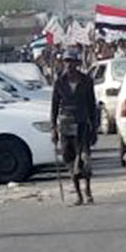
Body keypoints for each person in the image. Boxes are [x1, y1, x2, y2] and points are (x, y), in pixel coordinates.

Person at [49, 49, 98, 205]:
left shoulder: (86, 81)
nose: (69, 65)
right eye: (67, 61)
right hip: (65, 124)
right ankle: (78, 194)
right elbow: (54, 107)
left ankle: (88, 189)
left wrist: (94, 127)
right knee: (69, 158)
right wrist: (53, 128)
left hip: (82, 123)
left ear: (78, 64)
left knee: (84, 158)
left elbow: (92, 105)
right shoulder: (59, 82)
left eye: (72, 62)